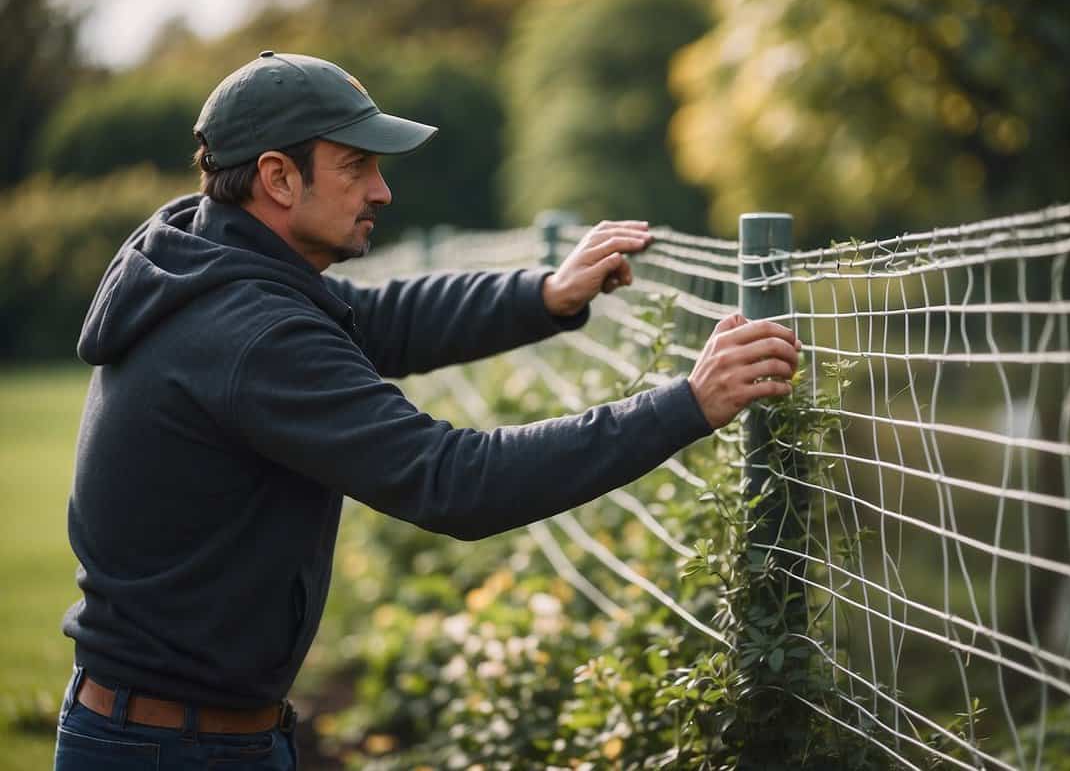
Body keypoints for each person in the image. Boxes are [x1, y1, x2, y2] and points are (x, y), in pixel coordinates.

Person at [54, 51, 800, 770]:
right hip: (173, 749)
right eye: (356, 165)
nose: (382, 191)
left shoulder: (214, 261)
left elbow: (380, 318)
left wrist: (545, 294)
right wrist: (687, 403)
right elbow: (454, 480)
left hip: (176, 729)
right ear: (278, 178)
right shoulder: (251, 333)